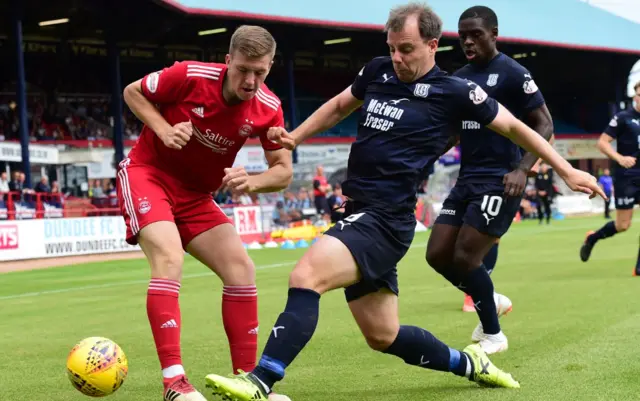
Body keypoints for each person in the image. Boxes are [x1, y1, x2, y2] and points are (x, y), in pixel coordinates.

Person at [204, 3, 605, 399]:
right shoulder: (378, 70)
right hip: (359, 210)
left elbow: (519, 128)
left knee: (305, 276)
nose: (397, 57)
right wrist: (296, 136)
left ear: (432, 45)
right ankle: (471, 365)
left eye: (407, 49)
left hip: (385, 219)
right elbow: (342, 104)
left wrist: (566, 171)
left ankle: (261, 381)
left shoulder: (457, 91)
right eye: (393, 47)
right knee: (383, 335)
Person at [119, 25, 293, 401]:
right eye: (243, 70)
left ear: (270, 66)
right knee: (169, 257)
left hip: (197, 197)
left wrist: (255, 181)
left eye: (259, 72)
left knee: (241, 269)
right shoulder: (188, 76)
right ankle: (174, 384)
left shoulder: (268, 107)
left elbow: (283, 170)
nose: (250, 81)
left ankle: (246, 382)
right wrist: (164, 130)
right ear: (228, 61)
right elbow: (132, 91)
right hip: (148, 175)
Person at [426, 5, 554, 354]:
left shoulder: (513, 73)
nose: (468, 41)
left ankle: (493, 335)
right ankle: (490, 297)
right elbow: (453, 131)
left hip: (501, 180)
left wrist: (523, 168)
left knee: (467, 257)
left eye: (476, 34)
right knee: (437, 255)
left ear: (494, 34)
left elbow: (545, 124)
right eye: (463, 35)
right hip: (467, 180)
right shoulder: (461, 77)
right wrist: (423, 160)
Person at [580, 81, 640, 275]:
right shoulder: (623, 118)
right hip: (626, 176)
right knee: (623, 225)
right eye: (639, 94)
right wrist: (620, 158)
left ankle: (639, 267)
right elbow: (602, 143)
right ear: (635, 97)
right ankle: (593, 238)